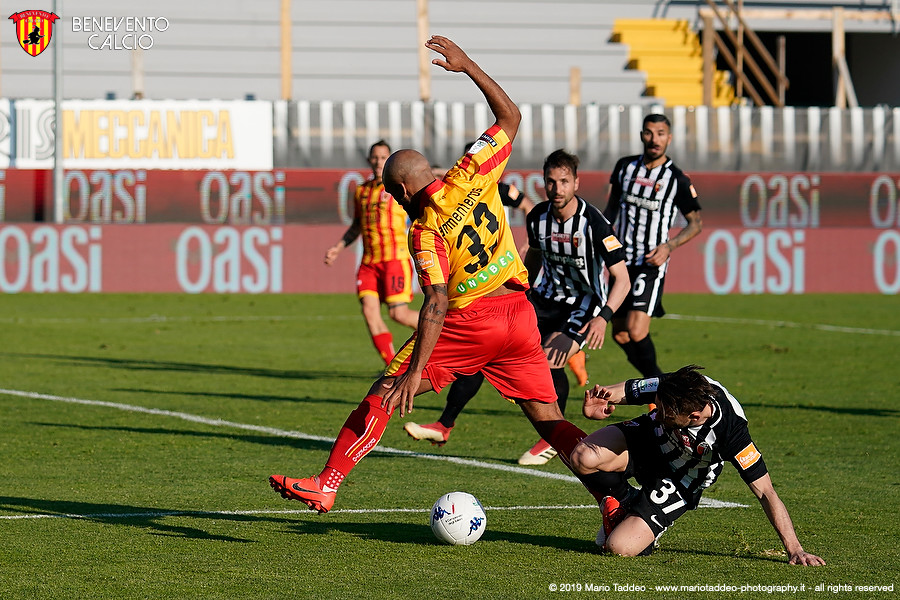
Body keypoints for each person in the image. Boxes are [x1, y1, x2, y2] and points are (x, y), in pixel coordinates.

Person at [269, 35, 598, 514]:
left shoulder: (423, 231)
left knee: (385, 390)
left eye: (393, 192)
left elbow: (438, 303)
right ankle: (616, 500)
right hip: (520, 315)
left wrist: (417, 371)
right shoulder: (471, 172)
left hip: (472, 322)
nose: (395, 201)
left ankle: (328, 482)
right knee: (548, 419)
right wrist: (468, 67)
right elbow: (511, 117)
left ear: (402, 187)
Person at [404, 149, 630, 466]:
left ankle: (551, 437)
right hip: (543, 299)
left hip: (583, 304)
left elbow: (622, 278)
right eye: (551, 182)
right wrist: (519, 289)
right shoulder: (538, 216)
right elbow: (534, 260)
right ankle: (444, 425)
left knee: (552, 360)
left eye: (564, 181)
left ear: (576, 183)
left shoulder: (594, 223)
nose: (557, 189)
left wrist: (604, 318)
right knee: (484, 352)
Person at [569, 365, 826, 565]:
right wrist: (598, 405)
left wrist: (795, 549)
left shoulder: (732, 432)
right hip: (649, 440)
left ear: (693, 416)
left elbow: (766, 492)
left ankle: (644, 523)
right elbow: (619, 392)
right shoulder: (676, 386)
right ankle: (627, 500)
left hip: (683, 478)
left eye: (665, 413)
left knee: (619, 549)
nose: (657, 412)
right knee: (583, 457)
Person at [604, 114, 702, 378]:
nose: (654, 139)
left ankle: (661, 389)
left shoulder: (677, 179)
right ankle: (660, 385)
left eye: (660, 133)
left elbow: (695, 223)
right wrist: (603, 243)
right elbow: (611, 210)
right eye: (649, 132)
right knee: (621, 333)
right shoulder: (624, 167)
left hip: (650, 263)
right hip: (621, 263)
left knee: (636, 330)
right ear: (641, 135)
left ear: (669, 138)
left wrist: (668, 247)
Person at [324, 140, 418, 365]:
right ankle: (391, 367)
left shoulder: (400, 188)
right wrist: (338, 247)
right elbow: (357, 224)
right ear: (369, 160)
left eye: (383, 157)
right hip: (368, 263)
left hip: (394, 259)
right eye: (374, 157)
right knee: (369, 312)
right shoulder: (362, 191)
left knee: (398, 314)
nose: (378, 162)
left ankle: (443, 331)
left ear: (390, 160)